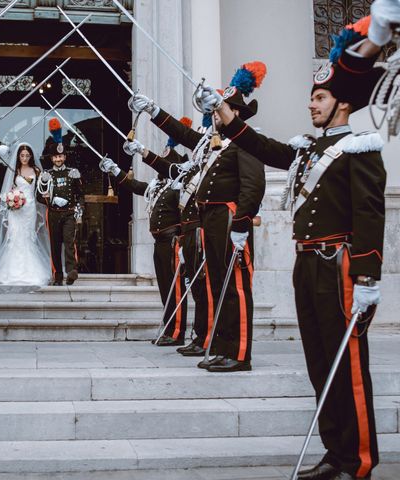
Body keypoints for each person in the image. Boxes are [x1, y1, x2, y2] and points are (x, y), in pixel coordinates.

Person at [198, 15, 386, 480]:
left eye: (319, 97)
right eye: (311, 97)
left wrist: (367, 278)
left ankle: (357, 460)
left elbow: (369, 214)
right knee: (320, 363)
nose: (311, 105)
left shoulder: (358, 147)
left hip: (339, 266)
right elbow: (263, 147)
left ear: (342, 103)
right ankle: (334, 453)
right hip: (308, 266)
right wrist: (224, 113)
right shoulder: (308, 149)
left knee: (349, 369)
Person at [127, 62, 266, 372]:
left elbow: (253, 185)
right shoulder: (212, 144)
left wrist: (242, 222)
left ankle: (240, 353)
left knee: (235, 288)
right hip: (210, 221)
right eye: (216, 111)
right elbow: (184, 134)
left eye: (221, 110)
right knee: (217, 286)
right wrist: (154, 110)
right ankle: (221, 346)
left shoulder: (246, 140)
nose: (215, 115)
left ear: (236, 115)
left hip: (230, 220)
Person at [119, 118, 212, 354]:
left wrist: (181, 239)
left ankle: (178, 331)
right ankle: (170, 329)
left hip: (173, 240)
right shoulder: (160, 187)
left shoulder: (178, 184)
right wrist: (115, 172)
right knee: (165, 288)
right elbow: (136, 187)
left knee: (177, 289)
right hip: (160, 241)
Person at [0, 143, 52, 286]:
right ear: (18, 156)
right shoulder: (14, 169)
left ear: (31, 156)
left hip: (30, 208)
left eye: (27, 156)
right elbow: (7, 189)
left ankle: (31, 272)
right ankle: (9, 271)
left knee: (28, 236)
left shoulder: (36, 170)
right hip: (15, 210)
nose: (24, 158)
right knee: (14, 236)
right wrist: (11, 200)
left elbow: (40, 189)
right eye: (22, 155)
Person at [36, 119, 83, 286]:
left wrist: (79, 211)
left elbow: (80, 195)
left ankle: (71, 271)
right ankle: (57, 276)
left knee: (69, 242)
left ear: (64, 156)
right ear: (52, 157)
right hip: (53, 213)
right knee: (55, 246)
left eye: (60, 156)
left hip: (69, 212)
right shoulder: (46, 174)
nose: (58, 159)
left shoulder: (73, 173)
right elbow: (39, 196)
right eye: (55, 156)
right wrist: (49, 197)